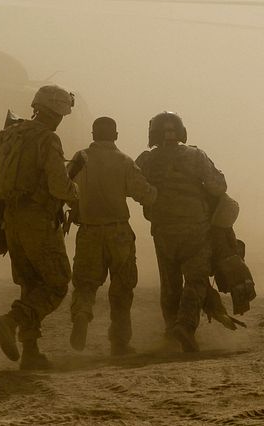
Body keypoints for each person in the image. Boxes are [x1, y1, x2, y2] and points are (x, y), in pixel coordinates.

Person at [0, 84, 79, 370]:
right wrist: (76, 193)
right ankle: (10, 322)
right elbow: (59, 185)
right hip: (39, 222)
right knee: (57, 283)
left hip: (11, 221)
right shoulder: (48, 140)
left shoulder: (11, 133)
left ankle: (31, 352)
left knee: (30, 284)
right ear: (57, 112)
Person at [136, 112, 226, 353]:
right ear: (181, 131)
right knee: (196, 279)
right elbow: (218, 187)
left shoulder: (146, 160)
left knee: (170, 282)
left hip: (163, 229)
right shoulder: (196, 156)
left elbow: (134, 187)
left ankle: (170, 331)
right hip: (195, 227)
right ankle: (185, 326)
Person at [67, 116, 157, 356]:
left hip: (88, 230)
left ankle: (82, 315)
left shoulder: (79, 159)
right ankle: (119, 341)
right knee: (122, 287)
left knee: (85, 284)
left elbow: (64, 187)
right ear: (115, 135)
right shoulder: (124, 161)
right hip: (118, 232)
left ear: (93, 134)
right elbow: (145, 195)